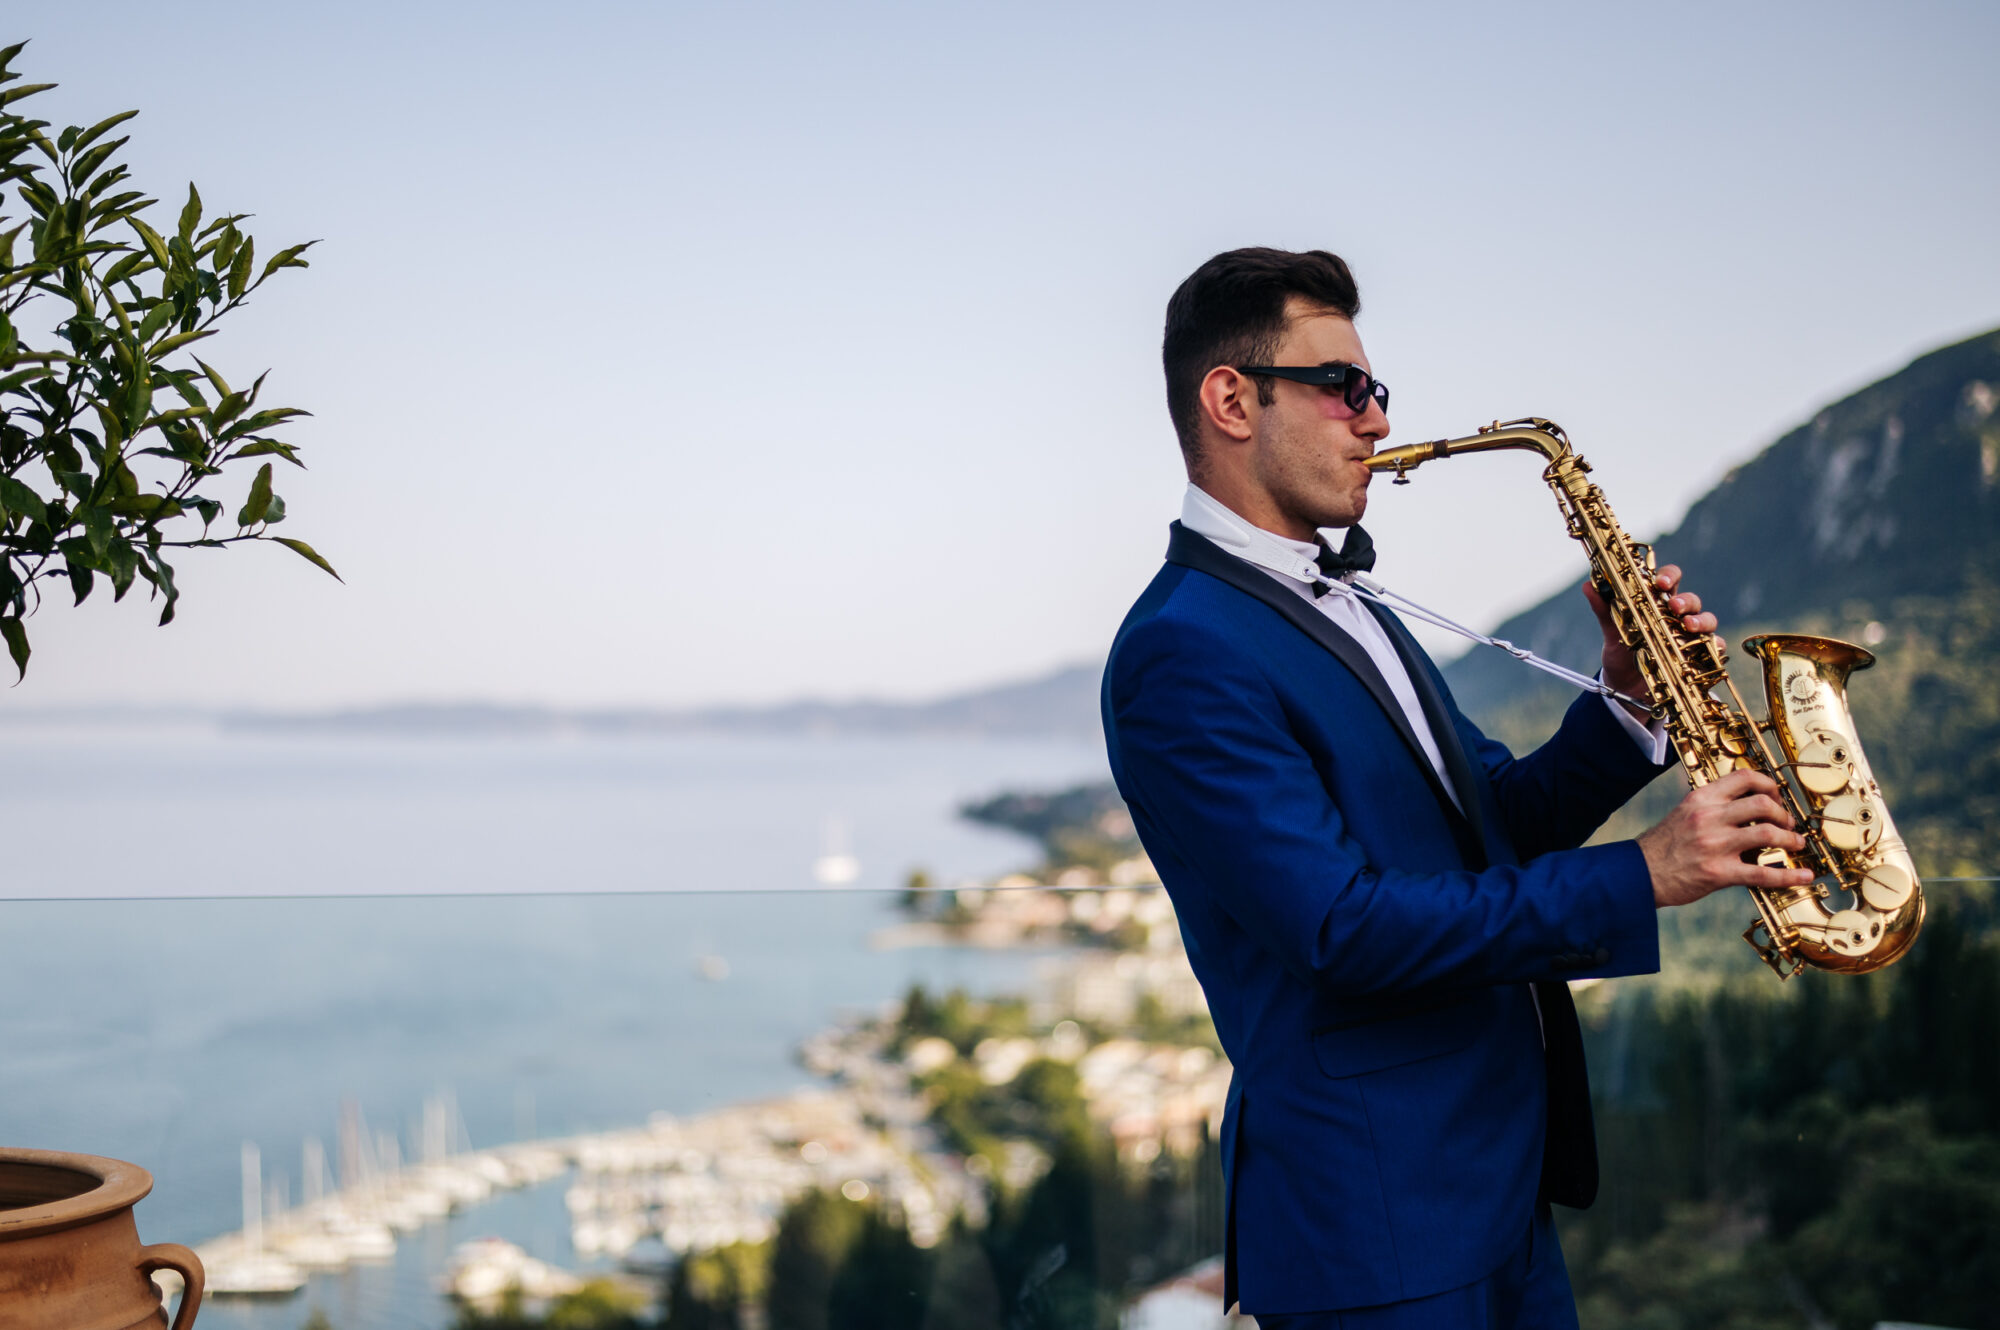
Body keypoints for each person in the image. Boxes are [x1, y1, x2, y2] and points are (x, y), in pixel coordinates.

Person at [1099, 248, 1815, 1329]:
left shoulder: (1354, 608)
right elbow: (1339, 928)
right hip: (1375, 1233)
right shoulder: (1180, 650)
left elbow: (1492, 821)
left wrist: (1629, 703)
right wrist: (1645, 872)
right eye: (1343, 385)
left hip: (1494, 1193)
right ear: (1230, 399)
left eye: (1374, 389)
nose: (1376, 420)